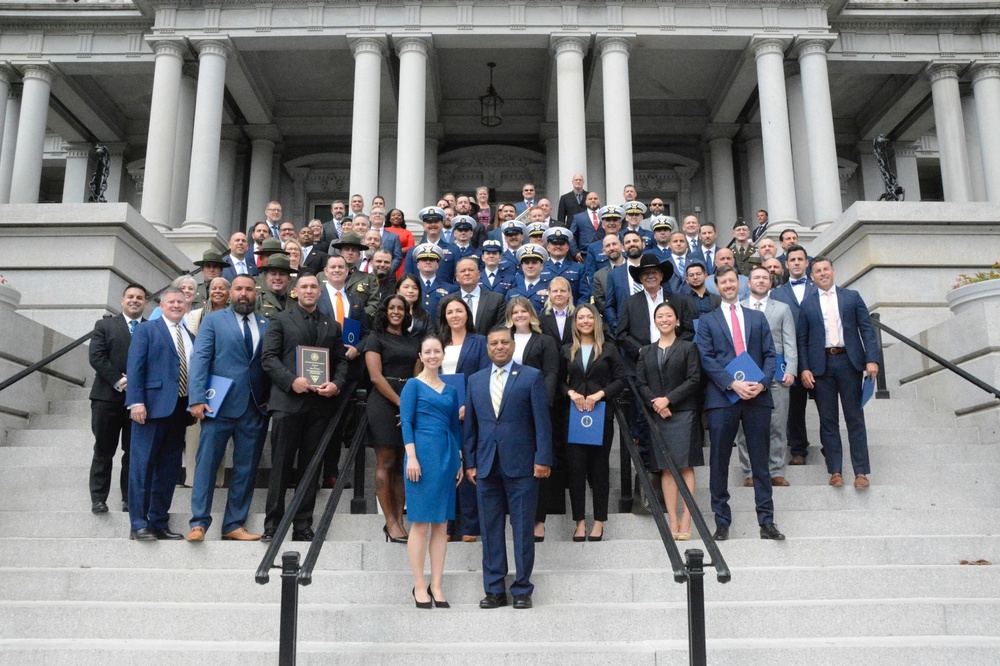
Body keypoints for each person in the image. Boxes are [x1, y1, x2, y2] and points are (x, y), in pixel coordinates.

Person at [464, 327, 553, 610]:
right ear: (487, 348)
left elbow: (542, 423)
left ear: (513, 346)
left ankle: (522, 589)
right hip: (486, 466)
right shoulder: (476, 381)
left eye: (504, 342)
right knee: (490, 530)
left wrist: (543, 458)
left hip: (523, 466)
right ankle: (494, 590)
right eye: (494, 343)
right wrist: (471, 462)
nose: (499, 347)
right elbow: (471, 428)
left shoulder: (531, 376)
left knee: (523, 528)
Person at [696, 266, 784, 542]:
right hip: (723, 397)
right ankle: (722, 521)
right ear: (717, 287)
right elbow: (706, 357)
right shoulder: (707, 321)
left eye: (732, 281)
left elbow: (771, 355)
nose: (729, 286)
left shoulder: (757, 318)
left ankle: (766, 521)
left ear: (740, 284)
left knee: (760, 461)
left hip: (757, 396)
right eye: (723, 282)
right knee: (720, 461)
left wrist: (763, 382)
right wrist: (732, 383)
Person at [260, 274, 349, 542]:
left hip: (319, 406)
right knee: (281, 466)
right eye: (305, 287)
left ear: (319, 292)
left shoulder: (331, 325)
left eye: (313, 287)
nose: (309, 291)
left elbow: (341, 361)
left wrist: (336, 384)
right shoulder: (281, 320)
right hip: (288, 404)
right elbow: (269, 358)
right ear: (295, 292)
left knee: (311, 468)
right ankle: (273, 525)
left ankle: (302, 525)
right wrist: (291, 381)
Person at [185, 275, 271, 542]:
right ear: (230, 293)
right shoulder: (212, 320)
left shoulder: (267, 323)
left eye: (249, 289)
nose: (244, 294)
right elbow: (200, 358)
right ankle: (199, 523)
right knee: (206, 464)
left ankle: (234, 524)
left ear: (256, 294)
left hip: (255, 407)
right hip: (217, 404)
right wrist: (196, 398)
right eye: (239, 289)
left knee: (246, 468)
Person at [797, 257, 880, 489]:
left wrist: (872, 359)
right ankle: (835, 471)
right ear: (811, 277)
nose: (822, 273)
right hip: (821, 367)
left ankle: (861, 472)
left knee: (855, 418)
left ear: (833, 271)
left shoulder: (852, 297)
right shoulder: (807, 304)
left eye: (826, 269)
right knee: (828, 421)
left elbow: (867, 329)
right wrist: (804, 367)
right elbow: (802, 339)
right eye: (817, 271)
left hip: (849, 363)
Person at [125, 287, 195, 541]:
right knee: (142, 468)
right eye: (171, 302)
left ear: (187, 306)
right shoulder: (147, 330)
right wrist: (135, 402)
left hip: (179, 411)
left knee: (168, 470)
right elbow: (135, 367)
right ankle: (137, 523)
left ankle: (158, 522)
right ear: (162, 305)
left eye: (181, 302)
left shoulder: (190, 335)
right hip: (150, 409)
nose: (177, 305)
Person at [399, 335, 463, 608]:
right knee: (421, 522)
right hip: (420, 456)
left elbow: (454, 427)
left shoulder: (450, 390)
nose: (433, 355)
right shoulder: (413, 385)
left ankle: (437, 584)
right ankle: (419, 584)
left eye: (438, 351)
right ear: (421, 356)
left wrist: (458, 458)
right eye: (428, 351)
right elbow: (407, 421)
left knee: (441, 524)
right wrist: (411, 457)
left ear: (442, 355)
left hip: (446, 455)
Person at [635, 301, 703, 540]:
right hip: (658, 415)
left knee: (684, 466)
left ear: (677, 320)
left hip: (683, 413)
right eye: (659, 316)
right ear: (655, 321)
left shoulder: (688, 348)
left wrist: (669, 400)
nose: (664, 319)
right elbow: (640, 382)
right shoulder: (646, 351)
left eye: (668, 315)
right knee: (665, 467)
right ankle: (672, 519)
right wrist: (656, 402)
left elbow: (694, 379)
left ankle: (687, 518)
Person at [562, 303, 625, 542]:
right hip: (575, 416)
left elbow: (621, 379)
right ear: (575, 322)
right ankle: (579, 521)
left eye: (589, 317)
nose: (585, 321)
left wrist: (601, 394)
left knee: (599, 469)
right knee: (576, 470)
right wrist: (571, 393)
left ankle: (599, 520)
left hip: (600, 415)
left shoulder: (608, 349)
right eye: (581, 317)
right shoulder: (566, 349)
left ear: (596, 321)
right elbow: (558, 380)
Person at [365, 295, 422, 542]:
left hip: (408, 399)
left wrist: (411, 405)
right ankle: (389, 521)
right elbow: (376, 377)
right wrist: (401, 404)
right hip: (384, 402)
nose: (396, 311)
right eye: (392, 308)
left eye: (400, 308)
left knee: (402, 464)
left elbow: (418, 376)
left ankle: (399, 521)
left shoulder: (413, 341)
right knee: (386, 462)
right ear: (385, 312)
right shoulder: (375, 338)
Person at [88, 283, 148, 514]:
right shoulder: (104, 325)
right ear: (122, 300)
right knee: (104, 449)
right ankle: (99, 499)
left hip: (139, 402)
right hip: (107, 398)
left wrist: (137, 384)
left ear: (145, 303)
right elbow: (96, 356)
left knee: (133, 453)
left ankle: (128, 499)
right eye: (130, 296)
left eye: (140, 297)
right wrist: (121, 381)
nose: (135, 300)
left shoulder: (151, 328)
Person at [735, 267, 798, 488]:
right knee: (745, 426)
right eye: (757, 278)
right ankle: (750, 471)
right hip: (748, 371)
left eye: (765, 278)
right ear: (748, 283)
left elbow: (790, 340)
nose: (761, 281)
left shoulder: (782, 308)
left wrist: (791, 369)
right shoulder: (738, 308)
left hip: (777, 371)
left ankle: (776, 470)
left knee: (777, 424)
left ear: (770, 283)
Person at [436, 293, 490, 542]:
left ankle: (470, 525)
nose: (455, 315)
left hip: (469, 412)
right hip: (441, 412)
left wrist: (470, 404)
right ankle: (446, 525)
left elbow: (483, 375)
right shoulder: (438, 342)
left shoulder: (479, 342)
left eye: (459, 311)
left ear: (467, 314)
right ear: (444, 317)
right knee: (444, 465)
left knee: (469, 463)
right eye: (450, 312)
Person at [505, 297, 559, 541]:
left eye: (523, 311)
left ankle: (539, 520)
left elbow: (551, 373)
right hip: (506, 411)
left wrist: (542, 402)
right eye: (515, 312)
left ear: (531, 314)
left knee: (541, 462)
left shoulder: (545, 341)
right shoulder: (504, 340)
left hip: (536, 410)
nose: (519, 315)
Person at [770, 244, 816, 465]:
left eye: (801, 259)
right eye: (793, 260)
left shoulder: (819, 288)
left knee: (825, 404)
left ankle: (830, 445)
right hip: (790, 356)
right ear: (786, 265)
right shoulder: (777, 293)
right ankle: (798, 448)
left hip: (817, 355)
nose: (797, 263)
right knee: (794, 406)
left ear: (807, 263)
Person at [182, 276, 230, 488]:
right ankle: (192, 479)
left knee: (219, 432)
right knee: (194, 432)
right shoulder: (195, 315)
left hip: (225, 380)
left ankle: (217, 480)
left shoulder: (234, 315)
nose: (217, 291)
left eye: (222, 288)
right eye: (214, 288)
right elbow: (192, 347)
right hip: (201, 377)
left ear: (229, 292)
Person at [453, 256, 506, 335]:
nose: (467, 273)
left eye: (471, 270)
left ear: (478, 274)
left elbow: (501, 330)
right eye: (463, 271)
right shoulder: (447, 301)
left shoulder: (496, 300)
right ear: (457, 277)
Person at [396, 274, 434, 338]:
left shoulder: (425, 315)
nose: (411, 291)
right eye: (406, 287)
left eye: (415, 288)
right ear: (398, 291)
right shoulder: (389, 312)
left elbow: (431, 337)